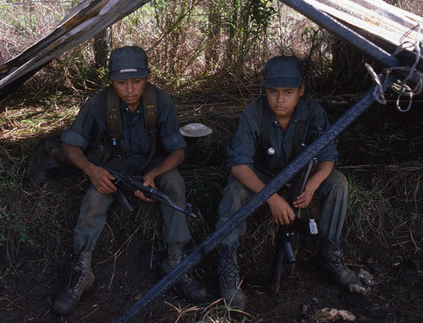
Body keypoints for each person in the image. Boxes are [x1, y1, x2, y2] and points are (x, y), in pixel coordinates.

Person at [52, 46, 207, 315]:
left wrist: (153, 175)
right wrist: (92, 170)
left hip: (152, 168)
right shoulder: (99, 103)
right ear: (111, 81)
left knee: (175, 184)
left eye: (137, 81)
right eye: (122, 83)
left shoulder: (161, 102)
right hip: (112, 169)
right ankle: (82, 272)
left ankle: (175, 263)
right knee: (94, 199)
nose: (130, 89)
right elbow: (70, 144)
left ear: (147, 78)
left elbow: (178, 151)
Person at [215, 56, 362, 310]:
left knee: (337, 183)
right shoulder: (254, 113)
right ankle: (228, 266)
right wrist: (271, 198)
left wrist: (312, 184)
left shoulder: (314, 112)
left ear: (301, 90)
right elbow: (238, 165)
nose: (280, 100)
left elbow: (328, 158)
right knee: (234, 192)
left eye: (288, 92)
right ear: (265, 90)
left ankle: (329, 254)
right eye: (273, 92)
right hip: (262, 177)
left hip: (300, 177)